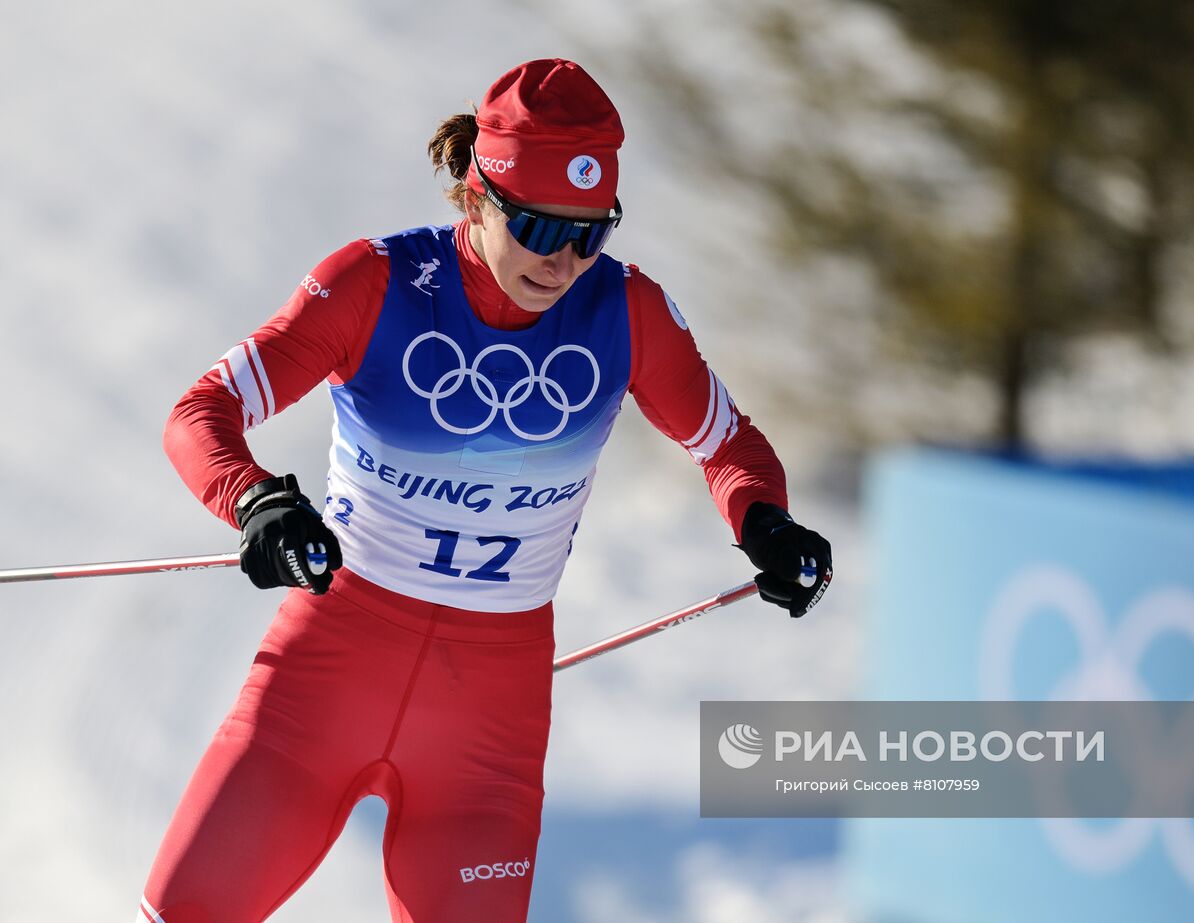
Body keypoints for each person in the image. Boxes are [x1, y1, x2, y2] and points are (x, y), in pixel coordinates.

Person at [136, 58, 833, 923]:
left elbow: (728, 444)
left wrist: (765, 521)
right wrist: (256, 501)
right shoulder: (376, 282)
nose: (566, 260)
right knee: (184, 909)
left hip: (486, 721)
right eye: (539, 229)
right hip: (325, 679)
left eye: (591, 233)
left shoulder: (626, 311)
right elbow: (202, 411)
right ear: (476, 198)